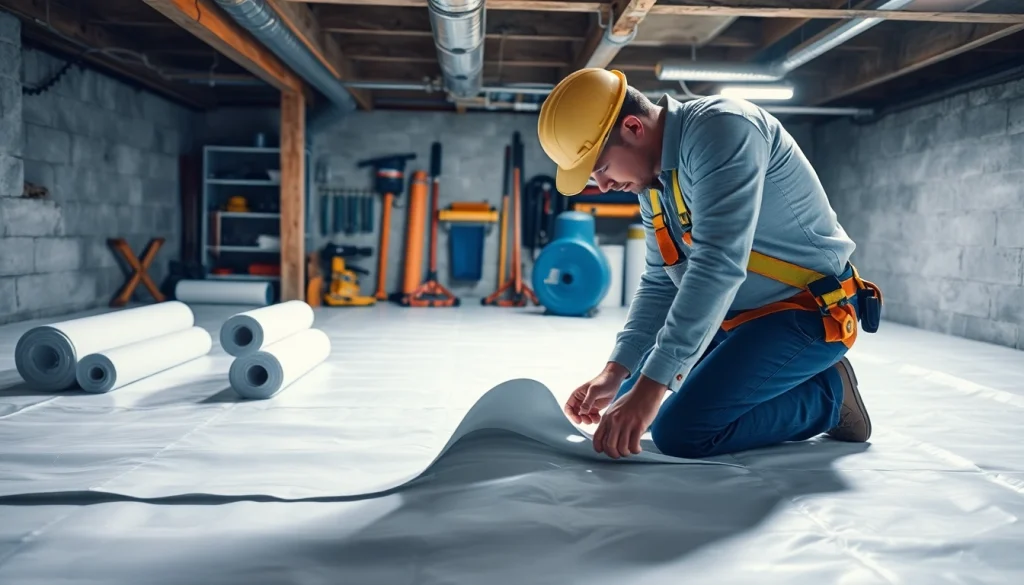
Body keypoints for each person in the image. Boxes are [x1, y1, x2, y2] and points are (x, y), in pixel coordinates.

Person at [536, 68, 884, 460]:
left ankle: (828, 396)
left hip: (806, 315)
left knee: (680, 431)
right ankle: (775, 375)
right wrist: (616, 371)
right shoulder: (655, 185)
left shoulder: (723, 130)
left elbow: (718, 263)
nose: (601, 186)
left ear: (633, 128)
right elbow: (660, 282)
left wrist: (652, 388)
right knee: (634, 391)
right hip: (736, 320)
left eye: (600, 169)